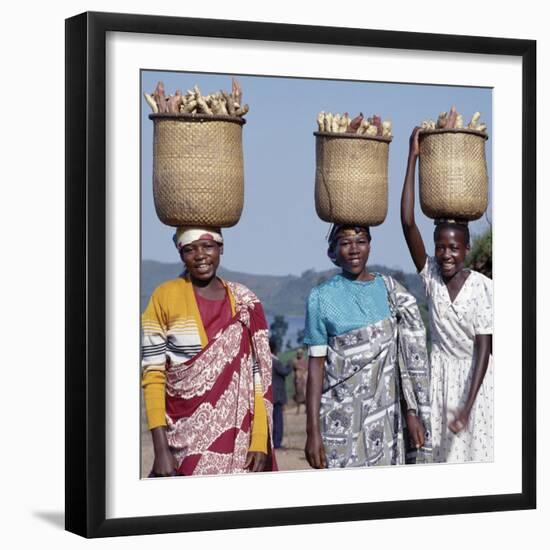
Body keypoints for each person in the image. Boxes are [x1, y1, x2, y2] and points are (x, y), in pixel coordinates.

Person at [141, 226, 277, 476]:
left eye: (208, 246)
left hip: (239, 440)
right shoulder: (164, 297)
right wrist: (161, 449)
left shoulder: (244, 302)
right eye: (190, 249)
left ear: (221, 249)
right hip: (181, 439)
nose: (200, 255)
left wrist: (259, 440)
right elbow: (153, 375)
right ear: (181, 254)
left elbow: (259, 375)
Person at [304, 224, 431, 469]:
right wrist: (312, 432)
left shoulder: (388, 291)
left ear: (370, 245)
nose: (354, 250)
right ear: (333, 252)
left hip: (385, 418)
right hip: (339, 418)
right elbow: (316, 369)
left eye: (361, 241)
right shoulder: (320, 298)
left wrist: (411, 412)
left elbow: (404, 359)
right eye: (345, 243)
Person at [401, 127, 493, 463]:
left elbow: (484, 348)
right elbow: (408, 222)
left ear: (467, 248)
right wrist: (412, 159)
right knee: (442, 466)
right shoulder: (432, 279)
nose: (446, 254)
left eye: (454, 247)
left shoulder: (483, 288)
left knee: (476, 460)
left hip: (475, 385)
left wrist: (467, 407)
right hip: (438, 381)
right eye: (440, 247)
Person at [270, 339, 292, 449]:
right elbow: (285, 372)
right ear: (275, 350)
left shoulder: (265, 360)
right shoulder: (275, 361)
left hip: (269, 396)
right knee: (278, 420)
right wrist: (289, 364)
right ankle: (277, 443)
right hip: (277, 396)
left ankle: (271, 442)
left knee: (271, 420)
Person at [291, 348, 308, 414]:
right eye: (298, 353)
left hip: (303, 379)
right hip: (298, 379)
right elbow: (294, 369)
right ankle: (298, 409)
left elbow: (306, 369)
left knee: (305, 393)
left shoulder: (304, 361)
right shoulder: (295, 361)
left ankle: (306, 408)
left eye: (300, 353)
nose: (299, 354)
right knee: (298, 393)